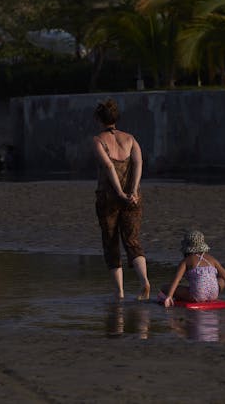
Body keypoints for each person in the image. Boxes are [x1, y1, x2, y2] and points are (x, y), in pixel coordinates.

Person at [92, 98, 150, 301]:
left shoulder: (98, 140)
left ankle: (120, 291)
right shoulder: (131, 139)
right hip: (133, 198)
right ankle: (144, 282)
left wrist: (118, 192)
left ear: (99, 119)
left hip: (108, 198)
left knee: (111, 242)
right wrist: (132, 191)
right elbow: (138, 164)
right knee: (132, 240)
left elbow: (108, 166)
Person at [159, 230, 225, 307]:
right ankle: (209, 294)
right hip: (214, 294)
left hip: (197, 295)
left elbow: (176, 279)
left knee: (165, 287)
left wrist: (169, 296)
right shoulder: (212, 259)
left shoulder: (186, 261)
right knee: (222, 280)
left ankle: (168, 297)